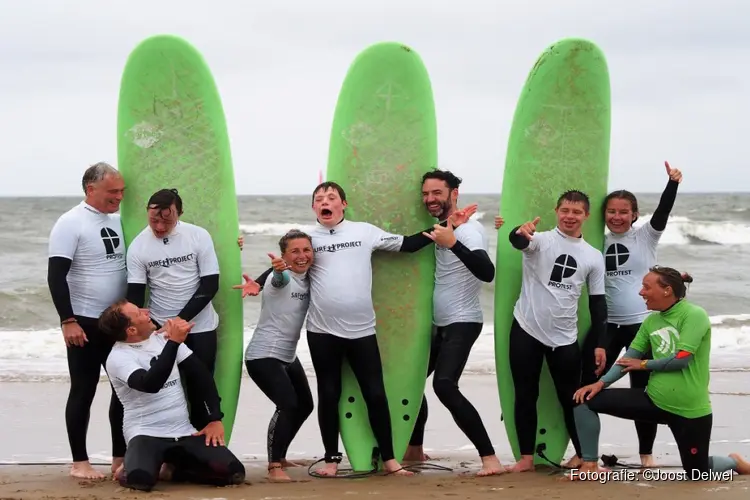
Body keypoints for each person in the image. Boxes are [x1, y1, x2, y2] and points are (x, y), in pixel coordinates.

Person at [305, 181, 477, 477]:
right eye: (320, 199)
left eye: (331, 197)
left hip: (361, 330)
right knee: (329, 393)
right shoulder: (307, 237)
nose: (326, 202)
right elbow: (288, 264)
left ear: (343, 204)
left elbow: (408, 245)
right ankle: (332, 460)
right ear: (314, 208)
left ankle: (390, 460)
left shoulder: (364, 232)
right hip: (321, 331)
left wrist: (448, 224)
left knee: (375, 393)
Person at [571, 266, 750, 480]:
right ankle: (589, 463)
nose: (641, 292)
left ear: (666, 290)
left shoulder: (694, 315)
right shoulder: (651, 321)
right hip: (653, 401)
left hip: (689, 410)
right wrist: (600, 384)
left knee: (697, 473)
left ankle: (734, 462)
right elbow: (628, 360)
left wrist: (644, 364)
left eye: (647, 287)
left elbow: (682, 360)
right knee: (585, 400)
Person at [403, 169, 505, 476]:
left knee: (445, 385)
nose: (430, 199)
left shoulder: (469, 232)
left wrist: (453, 242)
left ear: (453, 194)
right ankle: (414, 450)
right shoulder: (443, 227)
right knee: (410, 381)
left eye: (436, 193)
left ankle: (490, 459)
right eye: (425, 193)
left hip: (463, 321)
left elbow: (487, 272)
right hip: (440, 323)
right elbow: (409, 245)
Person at [585, 160, 683, 467]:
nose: (616, 217)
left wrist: (672, 184)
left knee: (642, 392)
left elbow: (663, 212)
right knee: (588, 381)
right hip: (607, 326)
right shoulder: (595, 241)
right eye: (611, 212)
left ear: (634, 214)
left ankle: (646, 454)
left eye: (623, 212)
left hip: (642, 325)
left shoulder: (646, 236)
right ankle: (584, 452)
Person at [505, 190, 607, 472]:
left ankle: (583, 455)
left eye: (576, 212)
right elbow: (517, 241)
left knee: (571, 396)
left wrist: (600, 343)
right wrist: (519, 231)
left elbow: (598, 304)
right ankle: (526, 458)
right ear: (556, 211)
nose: (569, 217)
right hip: (527, 328)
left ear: (586, 215)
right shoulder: (540, 240)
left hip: (565, 336)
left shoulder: (593, 256)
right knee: (526, 393)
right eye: (565, 210)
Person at [98, 299, 246, 491]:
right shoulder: (118, 357)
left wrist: (215, 418)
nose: (146, 311)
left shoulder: (162, 339)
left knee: (233, 473)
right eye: (138, 313)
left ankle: (171, 471)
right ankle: (129, 468)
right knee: (140, 481)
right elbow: (150, 384)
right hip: (146, 433)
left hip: (183, 431)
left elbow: (201, 377)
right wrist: (174, 342)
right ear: (131, 331)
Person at [47, 161, 127, 479]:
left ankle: (119, 458)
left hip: (118, 322)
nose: (119, 197)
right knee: (84, 389)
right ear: (91, 189)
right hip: (85, 321)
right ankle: (80, 462)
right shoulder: (70, 223)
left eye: (122, 191)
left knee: (123, 389)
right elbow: (56, 276)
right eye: (113, 191)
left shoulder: (121, 221)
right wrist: (68, 320)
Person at [125, 189, 221, 429]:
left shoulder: (198, 236)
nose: (159, 226)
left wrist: (180, 320)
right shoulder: (138, 246)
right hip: (160, 328)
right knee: (166, 391)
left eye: (166, 220)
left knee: (201, 387)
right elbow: (136, 294)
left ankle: (202, 452)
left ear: (179, 213)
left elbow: (210, 284)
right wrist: (132, 331)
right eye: (153, 219)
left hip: (200, 325)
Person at [233, 229, 315, 483]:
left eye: (306, 250)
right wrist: (278, 269)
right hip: (264, 355)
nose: (302, 256)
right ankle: (273, 465)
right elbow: (278, 278)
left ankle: (282, 455)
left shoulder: (310, 277)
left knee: (305, 406)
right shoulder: (281, 278)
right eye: (295, 251)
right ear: (283, 256)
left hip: (287, 355)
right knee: (288, 405)